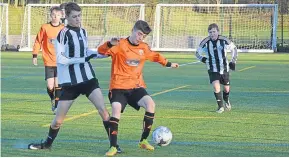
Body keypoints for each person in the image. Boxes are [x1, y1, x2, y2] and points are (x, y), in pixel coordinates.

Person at [27, 2, 116, 151]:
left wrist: (108, 49)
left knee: (104, 111)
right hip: (69, 83)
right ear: (66, 17)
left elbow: (86, 52)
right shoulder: (62, 34)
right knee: (57, 121)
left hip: (88, 79)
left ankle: (114, 146)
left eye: (79, 16)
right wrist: (83, 59)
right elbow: (61, 59)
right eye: (74, 17)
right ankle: (47, 145)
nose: (78, 19)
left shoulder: (83, 31)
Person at [97, 20, 179, 156]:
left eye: (143, 36)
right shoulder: (119, 44)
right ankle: (113, 147)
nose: (140, 38)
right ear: (133, 30)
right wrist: (110, 44)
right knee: (116, 109)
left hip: (135, 87)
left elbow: (155, 56)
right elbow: (101, 51)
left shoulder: (144, 48)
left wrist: (168, 63)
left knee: (150, 104)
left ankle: (143, 140)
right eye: (139, 34)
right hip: (118, 87)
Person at [195, 23, 238, 113]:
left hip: (224, 68)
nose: (212, 34)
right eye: (210, 32)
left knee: (226, 89)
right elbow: (197, 53)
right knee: (216, 87)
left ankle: (226, 100)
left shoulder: (224, 40)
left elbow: (234, 49)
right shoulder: (205, 42)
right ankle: (220, 107)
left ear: (218, 32)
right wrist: (203, 59)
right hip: (212, 68)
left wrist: (233, 61)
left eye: (214, 32)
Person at [32, 6, 65, 113]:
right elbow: (38, 41)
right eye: (54, 15)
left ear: (61, 16)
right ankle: (52, 98)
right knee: (50, 86)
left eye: (58, 15)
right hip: (48, 61)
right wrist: (35, 55)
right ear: (50, 15)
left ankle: (56, 106)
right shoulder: (44, 27)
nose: (56, 17)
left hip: (60, 62)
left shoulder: (64, 28)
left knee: (58, 85)